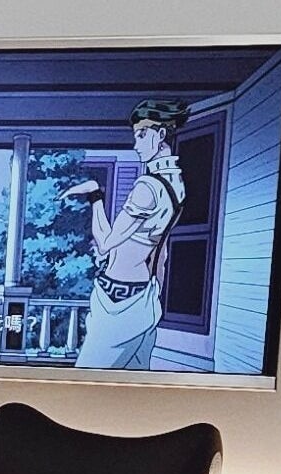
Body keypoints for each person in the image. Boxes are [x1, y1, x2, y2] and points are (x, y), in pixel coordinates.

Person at [66, 101, 191, 370]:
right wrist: (155, 291)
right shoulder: (176, 185)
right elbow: (161, 251)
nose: (136, 145)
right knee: (133, 385)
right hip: (144, 296)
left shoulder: (147, 187)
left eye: (142, 135)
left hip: (119, 302)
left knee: (86, 381)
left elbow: (105, 242)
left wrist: (95, 195)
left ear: (160, 134)